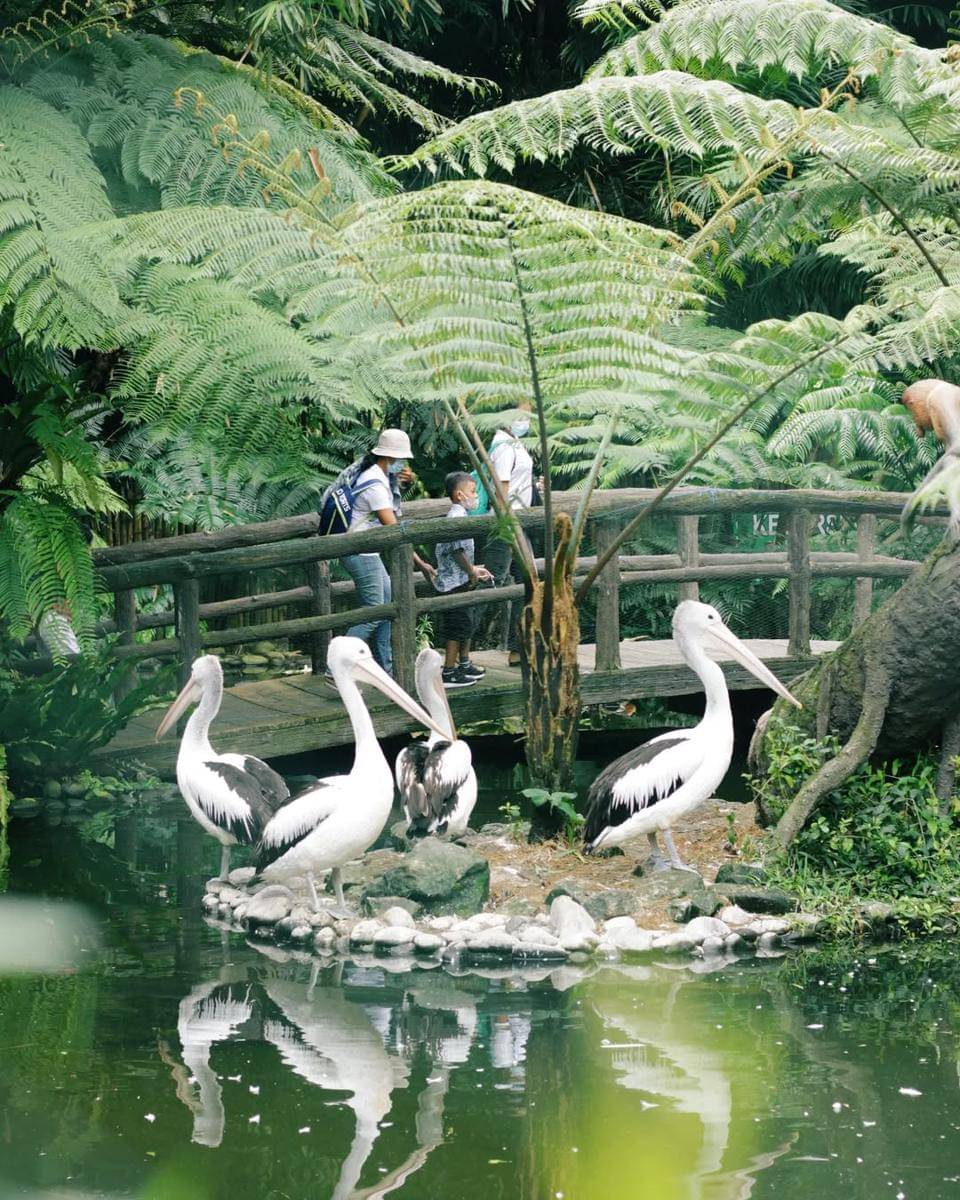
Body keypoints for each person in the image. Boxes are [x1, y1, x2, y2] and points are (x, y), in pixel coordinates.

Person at [341, 429, 436, 676]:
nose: (403, 464)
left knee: (387, 607)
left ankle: (387, 669)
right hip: (359, 552)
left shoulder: (378, 475)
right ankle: (339, 666)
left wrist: (402, 483)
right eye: (401, 459)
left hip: (367, 551)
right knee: (374, 612)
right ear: (391, 458)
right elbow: (394, 531)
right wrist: (420, 563)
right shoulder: (375, 484)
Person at [482, 400, 535, 666]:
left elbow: (515, 481)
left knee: (529, 581)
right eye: (522, 413)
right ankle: (458, 653)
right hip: (505, 525)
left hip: (517, 523)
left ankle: (519, 649)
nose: (526, 418)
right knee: (488, 583)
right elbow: (501, 489)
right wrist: (509, 527)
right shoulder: (503, 446)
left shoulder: (514, 442)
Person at [433, 473, 493, 688]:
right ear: (459, 495)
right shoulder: (455, 519)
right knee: (456, 627)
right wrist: (471, 572)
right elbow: (457, 551)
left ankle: (464, 663)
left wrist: (474, 569)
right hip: (452, 584)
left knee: (465, 624)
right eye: (473, 491)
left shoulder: (463, 516)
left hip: (460, 579)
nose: (476, 496)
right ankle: (449, 670)